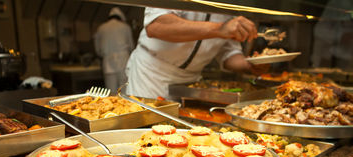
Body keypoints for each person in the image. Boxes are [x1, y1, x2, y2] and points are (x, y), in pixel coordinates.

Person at [125, 8, 263, 99]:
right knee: (148, 134)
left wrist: (250, 66)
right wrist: (220, 29)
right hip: (152, 76)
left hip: (192, 85)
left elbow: (228, 52)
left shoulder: (231, 5)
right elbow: (157, 26)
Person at [94, 7, 134, 91]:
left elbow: (97, 48)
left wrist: (102, 54)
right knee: (125, 91)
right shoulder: (125, 27)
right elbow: (131, 46)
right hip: (123, 62)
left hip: (108, 62)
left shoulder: (101, 28)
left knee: (111, 92)